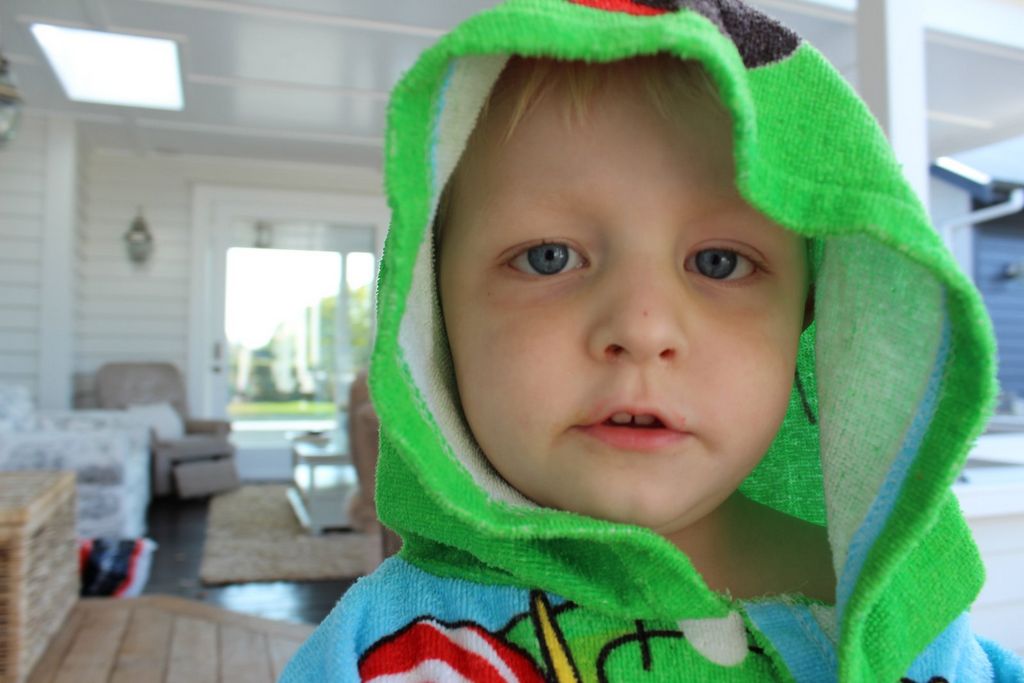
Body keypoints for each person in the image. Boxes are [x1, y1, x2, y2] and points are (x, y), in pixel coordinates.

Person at [282, 1, 1024, 680]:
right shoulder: (384, 653)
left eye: (720, 262)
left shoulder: (900, 613)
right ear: (433, 314)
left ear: (809, 315)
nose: (642, 330)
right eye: (549, 257)